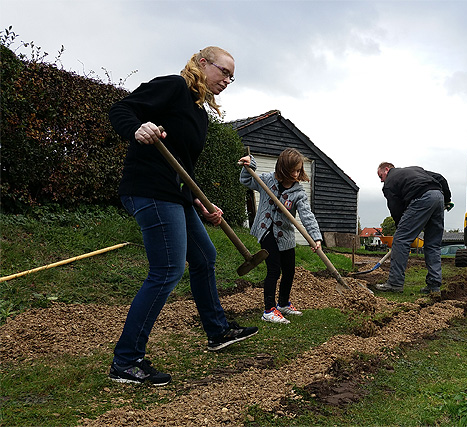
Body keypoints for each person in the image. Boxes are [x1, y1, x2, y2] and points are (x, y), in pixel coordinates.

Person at [108, 46, 258, 386]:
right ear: (202, 64)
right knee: (167, 270)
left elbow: (183, 169)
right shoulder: (173, 87)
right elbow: (122, 109)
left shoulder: (199, 114)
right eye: (224, 72)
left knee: (205, 256)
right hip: (149, 190)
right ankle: (127, 360)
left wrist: (198, 202)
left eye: (232, 77)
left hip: (176, 196)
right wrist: (137, 128)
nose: (227, 80)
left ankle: (218, 331)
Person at [238, 148, 323, 324]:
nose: (296, 173)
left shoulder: (298, 193)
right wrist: (250, 163)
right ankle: (269, 310)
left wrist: (316, 237)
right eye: (293, 170)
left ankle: (283, 303)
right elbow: (246, 179)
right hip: (265, 230)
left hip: (285, 235)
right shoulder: (268, 180)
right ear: (282, 169)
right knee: (274, 269)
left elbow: (307, 215)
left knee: (289, 270)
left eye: (299, 170)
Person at [374, 162, 452, 294]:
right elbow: (440, 178)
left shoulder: (389, 183)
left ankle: (394, 283)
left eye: (380, 176)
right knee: (433, 244)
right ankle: (434, 286)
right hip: (438, 197)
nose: (381, 180)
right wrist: (447, 200)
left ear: (387, 170)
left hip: (422, 197)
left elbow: (396, 209)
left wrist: (402, 229)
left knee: (400, 240)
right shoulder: (415, 170)